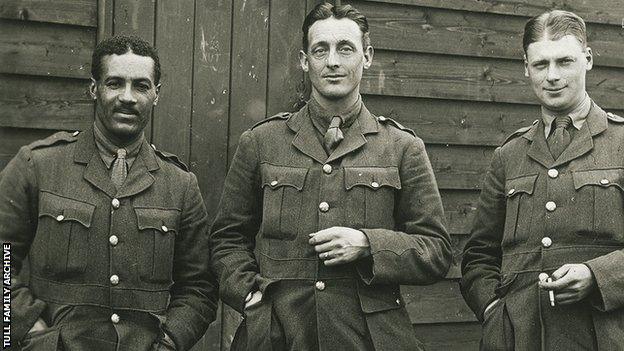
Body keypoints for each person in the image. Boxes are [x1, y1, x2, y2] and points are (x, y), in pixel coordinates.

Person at [209, 3, 452, 350]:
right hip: (278, 334)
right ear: (304, 61)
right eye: (321, 50)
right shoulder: (261, 142)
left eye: (345, 48)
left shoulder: (401, 147)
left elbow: (437, 251)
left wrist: (368, 244)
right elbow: (226, 239)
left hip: (367, 338)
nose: (333, 61)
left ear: (366, 56)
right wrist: (247, 290)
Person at [1, 35, 217, 350]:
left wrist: (170, 342)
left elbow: (199, 287)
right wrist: (26, 327)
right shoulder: (39, 164)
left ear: (157, 94)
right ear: (94, 89)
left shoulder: (180, 185)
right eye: (115, 83)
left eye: (141, 86)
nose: (128, 97)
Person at [461, 10, 624, 350]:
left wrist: (597, 277)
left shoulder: (621, 142)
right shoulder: (509, 155)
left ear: (588, 59)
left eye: (564, 61)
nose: (552, 76)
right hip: (519, 340)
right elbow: (479, 256)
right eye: (540, 65)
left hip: (603, 338)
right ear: (525, 68)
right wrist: (495, 313)